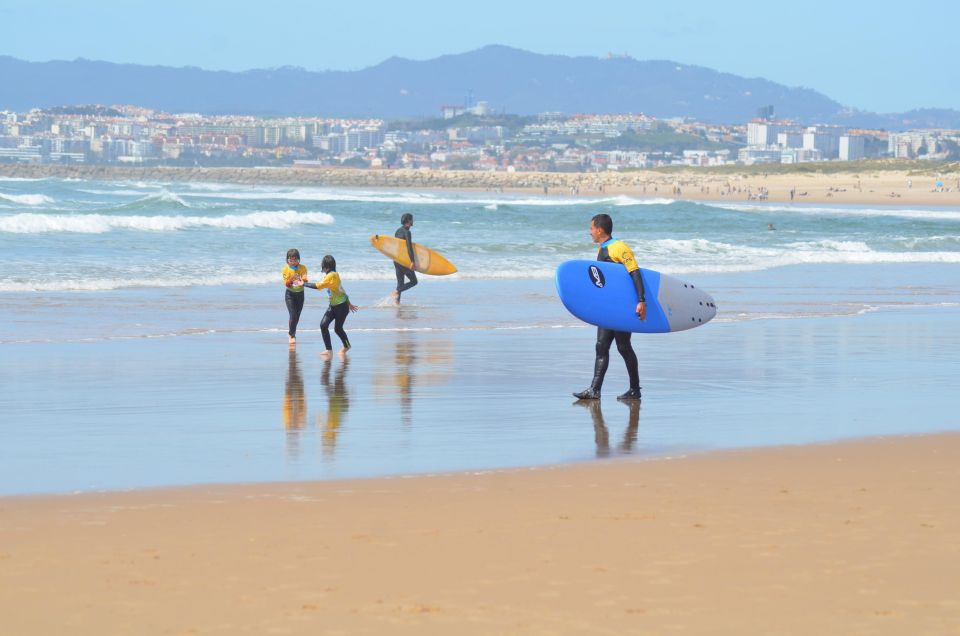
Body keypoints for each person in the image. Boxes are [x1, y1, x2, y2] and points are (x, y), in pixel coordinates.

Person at [573, 214, 645, 401]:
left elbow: (635, 272)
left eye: (591, 228)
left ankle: (635, 389)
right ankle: (594, 390)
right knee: (601, 346)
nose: (590, 232)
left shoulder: (619, 248)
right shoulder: (603, 249)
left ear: (599, 229)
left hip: (620, 308)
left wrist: (641, 301)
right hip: (607, 308)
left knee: (623, 347)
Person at [305, 255, 358, 360]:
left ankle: (347, 346)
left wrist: (304, 284)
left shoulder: (332, 275)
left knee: (338, 329)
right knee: (323, 325)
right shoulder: (333, 275)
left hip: (342, 307)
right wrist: (349, 302)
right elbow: (342, 290)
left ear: (326, 266)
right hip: (333, 306)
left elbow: (318, 286)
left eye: (322, 265)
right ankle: (329, 350)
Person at [281, 248, 309, 346]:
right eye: (291, 260)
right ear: (287, 260)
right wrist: (292, 279)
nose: (293, 262)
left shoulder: (303, 268)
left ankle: (292, 333)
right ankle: (291, 335)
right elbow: (287, 284)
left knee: (297, 316)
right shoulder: (285, 269)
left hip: (300, 294)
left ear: (299, 259)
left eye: (295, 259)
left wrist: (302, 280)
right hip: (290, 294)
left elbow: (305, 280)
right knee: (293, 315)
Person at [391, 213, 418, 304]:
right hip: (404, 261)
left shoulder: (397, 231)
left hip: (396, 260)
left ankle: (396, 303)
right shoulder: (407, 232)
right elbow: (409, 247)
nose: (413, 221)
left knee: (401, 283)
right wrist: (412, 261)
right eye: (412, 219)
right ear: (408, 220)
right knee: (414, 281)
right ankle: (397, 291)